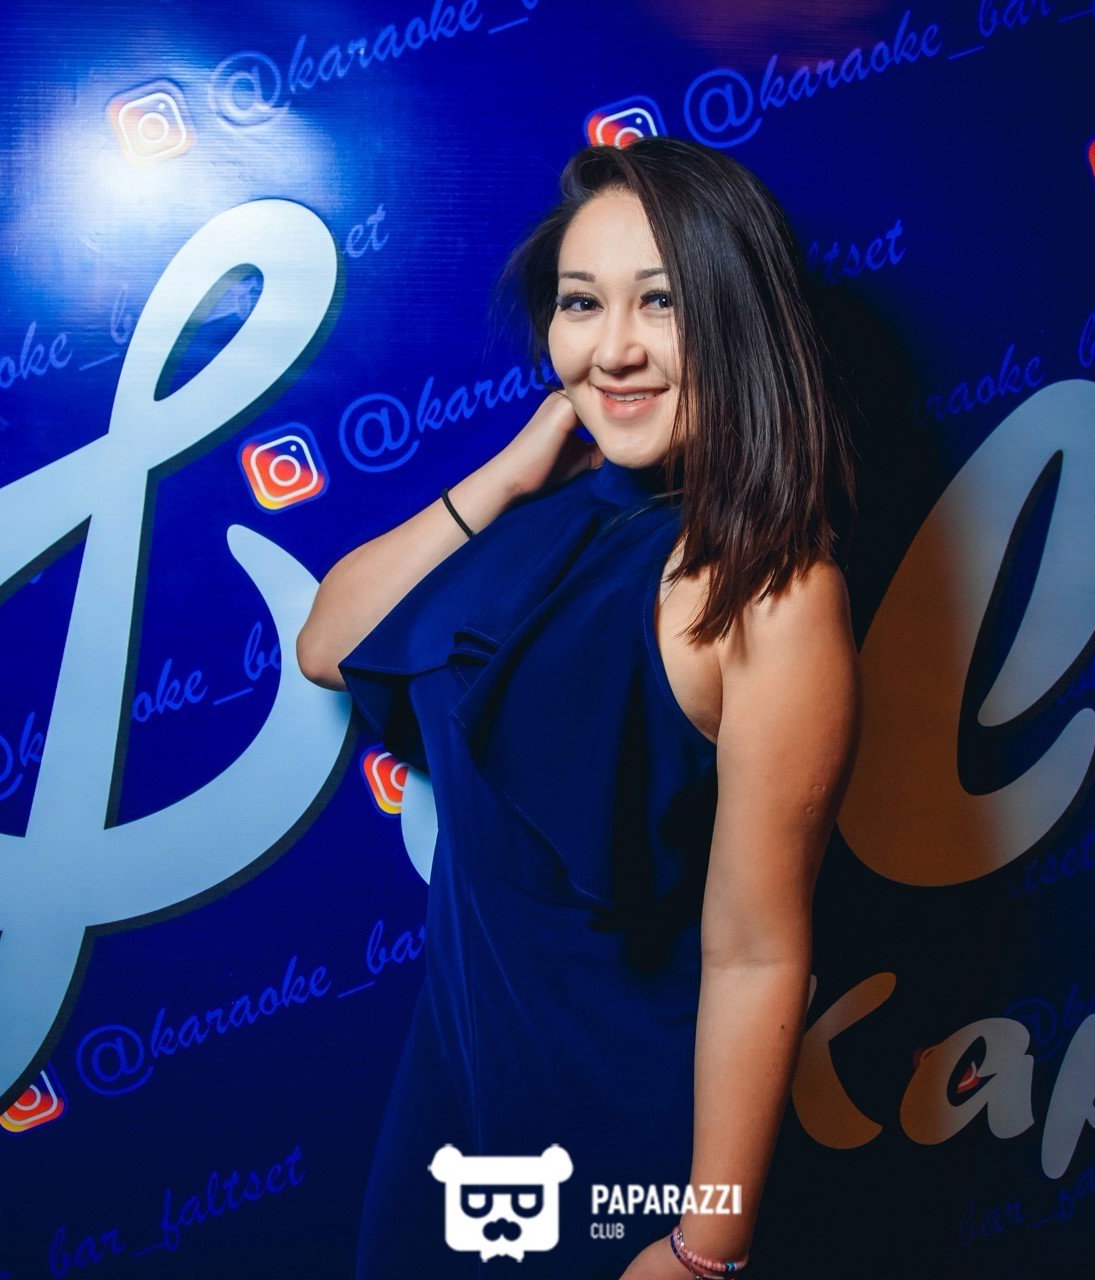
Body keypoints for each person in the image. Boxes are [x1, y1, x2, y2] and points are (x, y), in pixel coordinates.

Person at [296, 137, 860, 1279]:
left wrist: (706, 1245)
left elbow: (757, 952)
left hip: (619, 1134)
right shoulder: (544, 516)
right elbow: (326, 643)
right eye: (581, 303)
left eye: (663, 301)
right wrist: (510, 474)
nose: (614, 349)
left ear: (738, 316)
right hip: (457, 1091)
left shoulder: (773, 590)